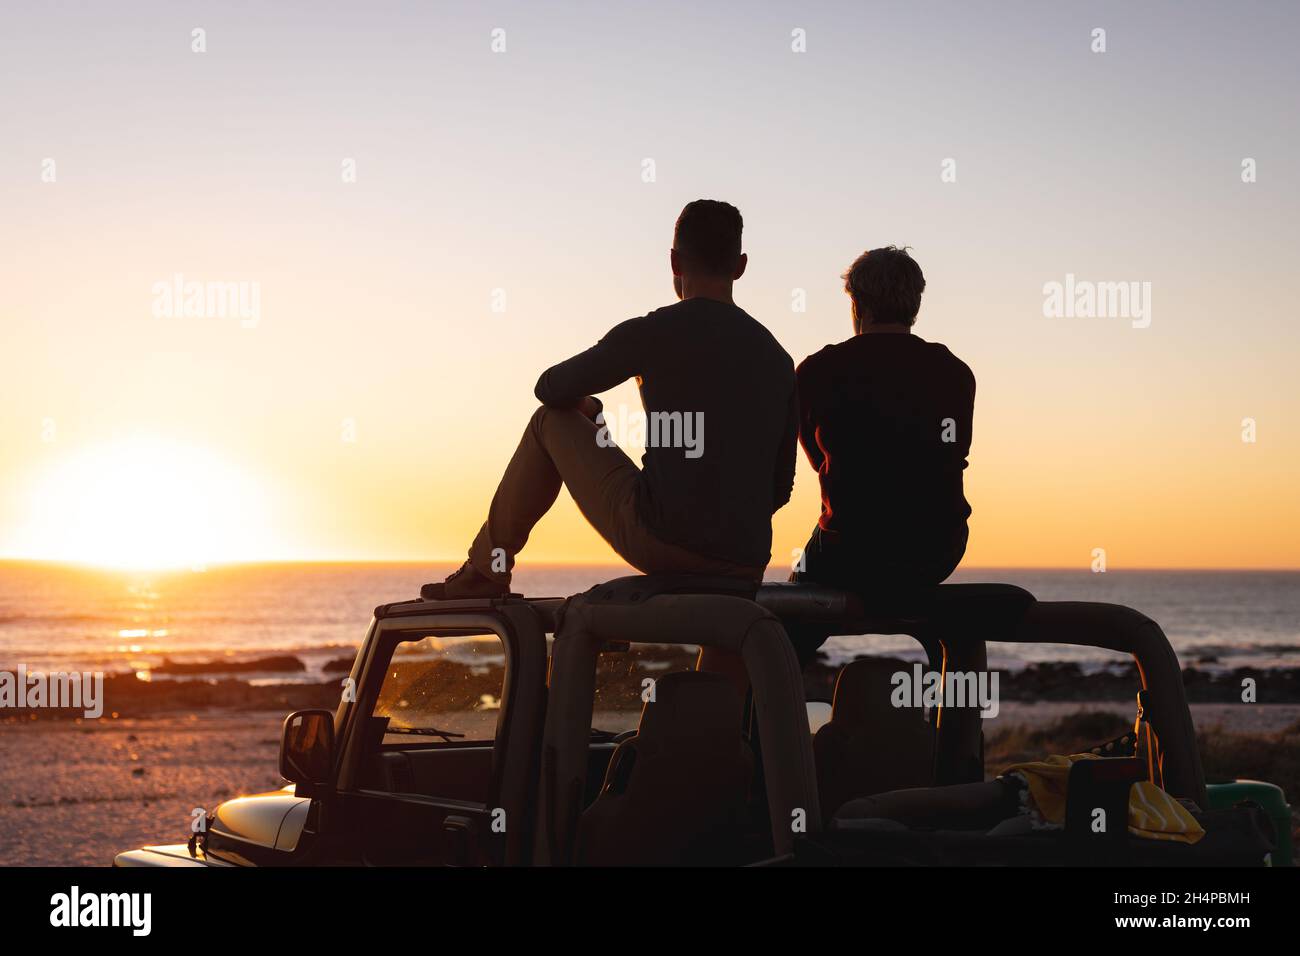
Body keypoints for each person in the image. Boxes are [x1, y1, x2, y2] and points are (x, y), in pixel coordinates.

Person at [422, 200, 797, 600]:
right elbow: (780, 489)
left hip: (666, 541)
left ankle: (486, 569)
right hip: (745, 563)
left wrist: (589, 410)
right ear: (740, 266)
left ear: (674, 262)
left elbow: (549, 388)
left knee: (549, 420)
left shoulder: (653, 331)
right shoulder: (779, 359)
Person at [793, 246, 975, 598]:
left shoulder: (817, 371)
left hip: (850, 548)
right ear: (916, 307)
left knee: (790, 612)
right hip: (937, 549)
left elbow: (821, 462)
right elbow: (955, 454)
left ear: (856, 304)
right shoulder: (953, 372)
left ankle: (786, 651)